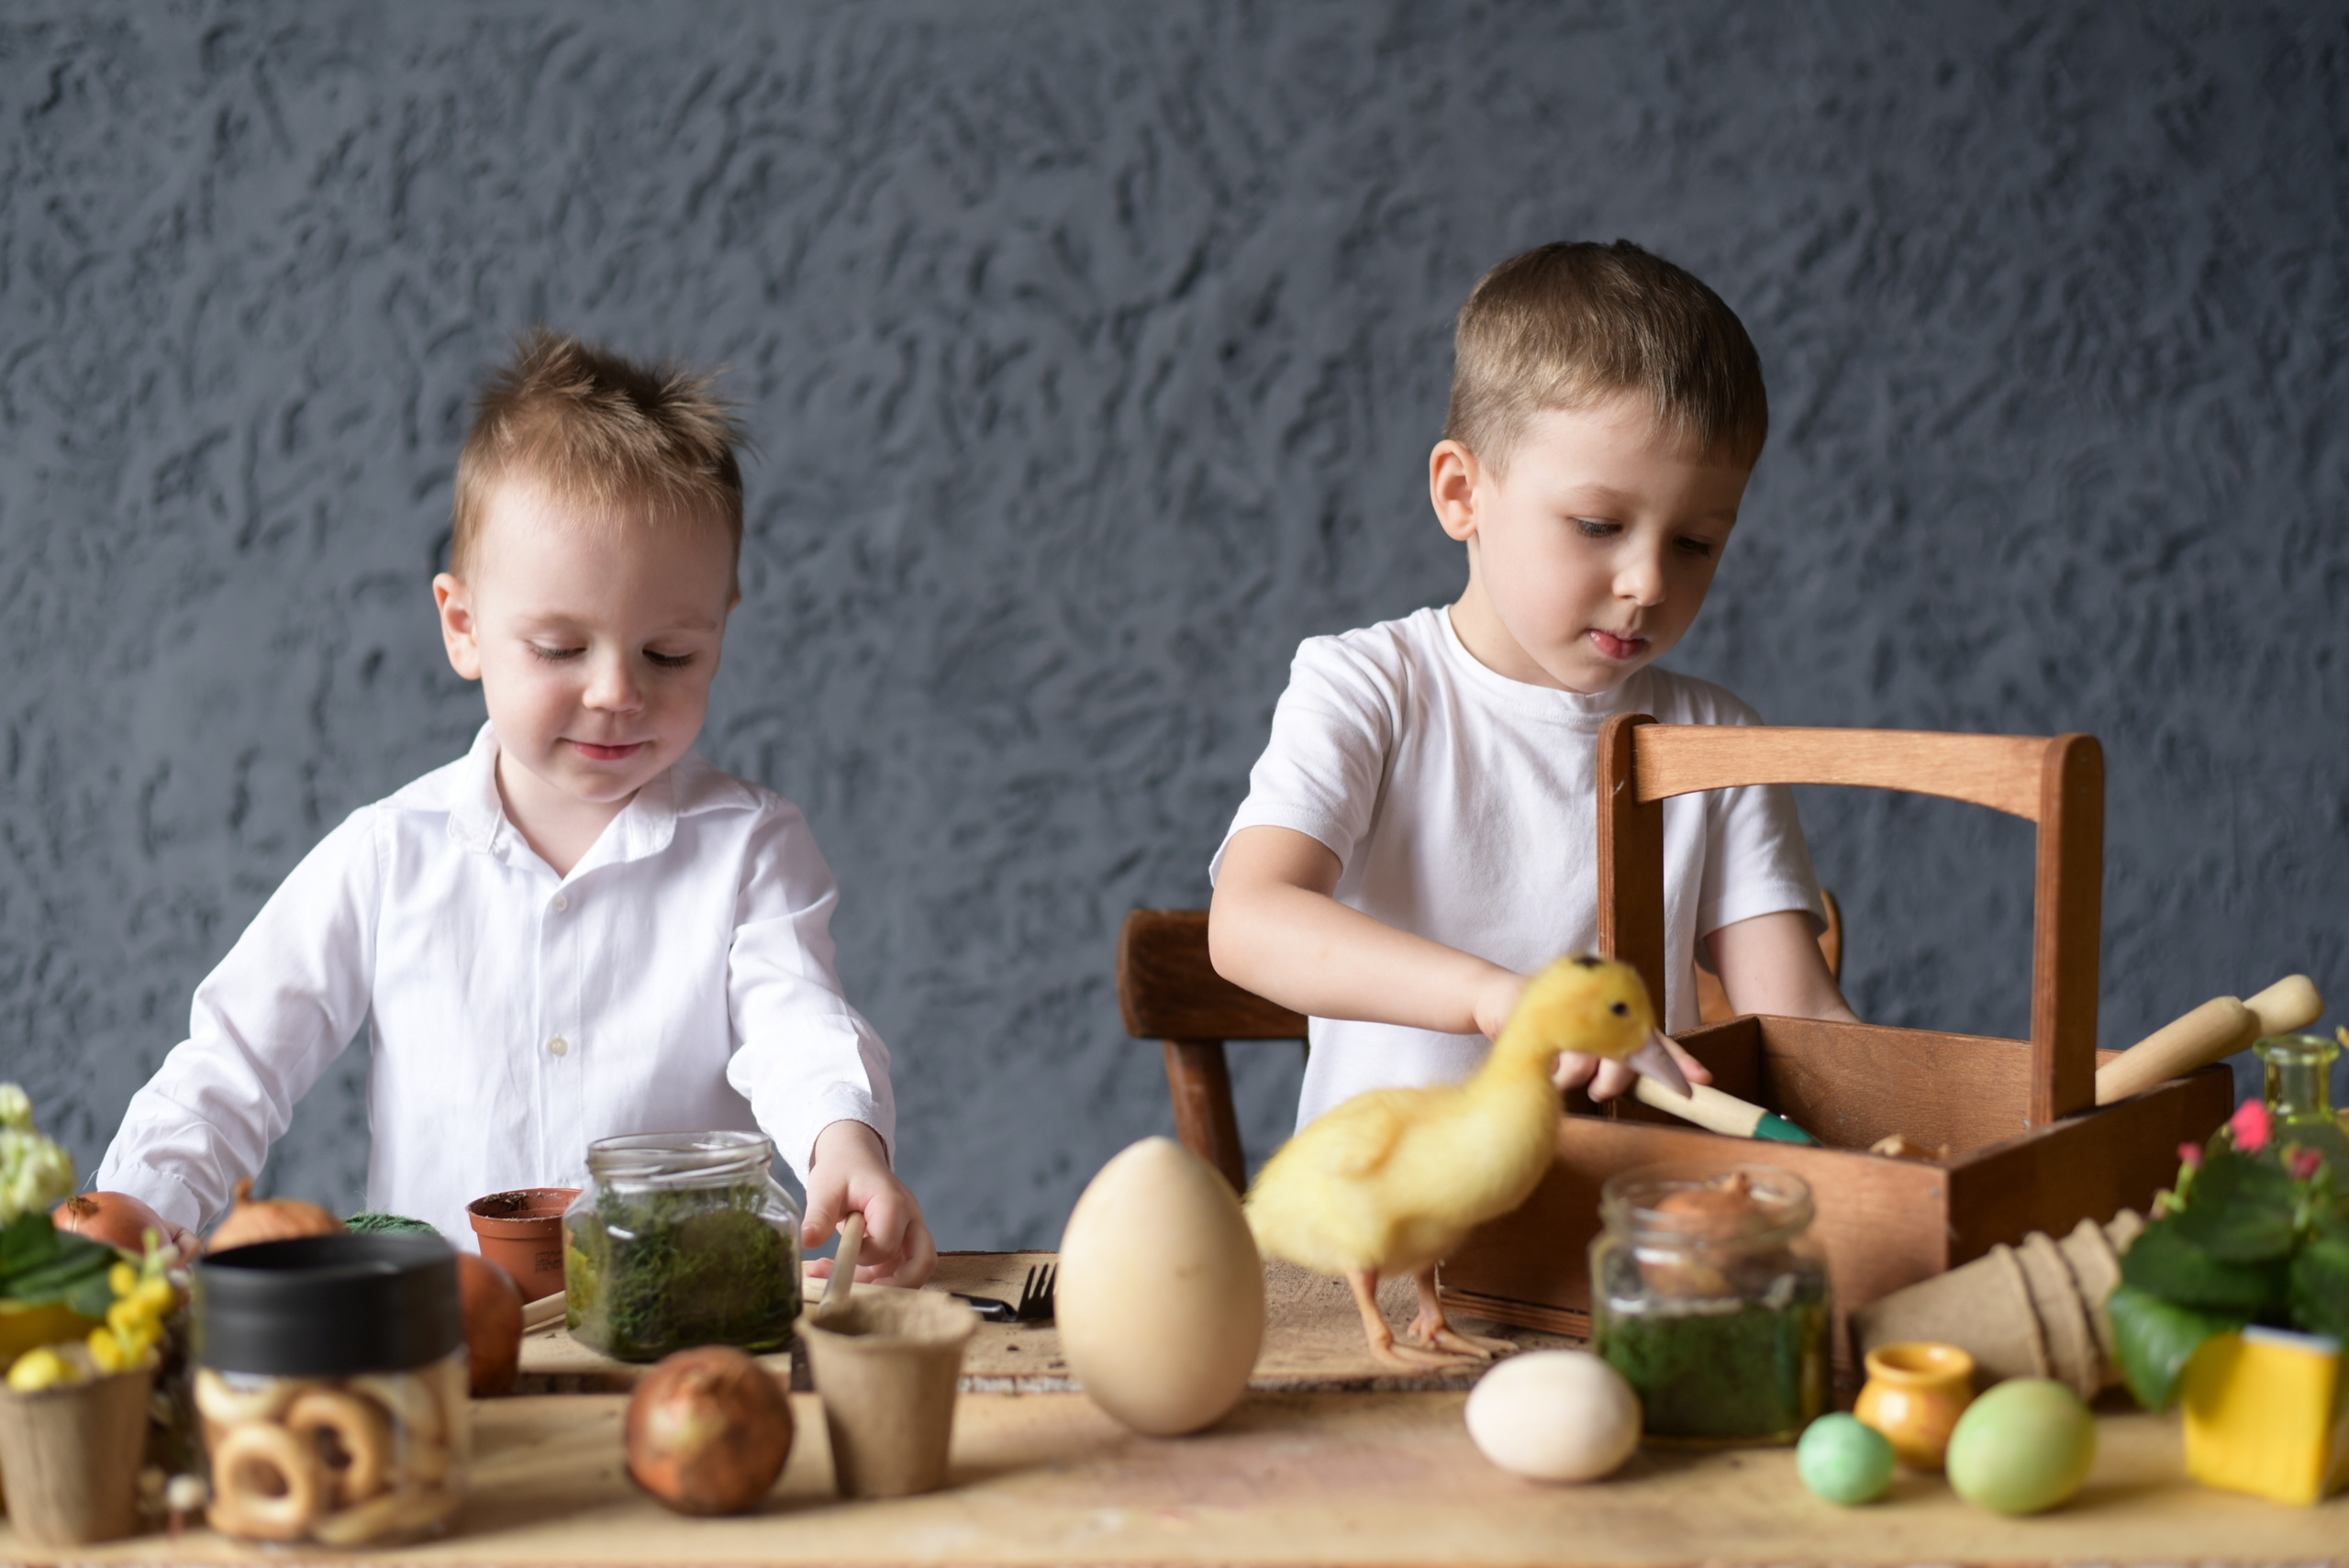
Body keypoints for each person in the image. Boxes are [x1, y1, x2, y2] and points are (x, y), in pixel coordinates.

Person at [95, 330, 933, 1283]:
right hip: (445, 1343)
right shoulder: (388, 855)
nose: (618, 690)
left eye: (670, 654)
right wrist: (136, 1206)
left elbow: (800, 1025)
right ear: (465, 628)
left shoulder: (748, 848)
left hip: (677, 1326)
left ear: (722, 625)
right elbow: (232, 1060)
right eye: (561, 647)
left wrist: (843, 1144)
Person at [1208, 240, 1858, 1131]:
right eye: (1599, 524)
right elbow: (1248, 920)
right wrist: (1490, 997)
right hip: (1396, 1235)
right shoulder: (1370, 686)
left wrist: (1936, 1125)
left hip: (1625, 1230)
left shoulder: (1715, 736)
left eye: (1695, 542)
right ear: (1461, 492)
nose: (1649, 582)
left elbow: (1803, 1023)